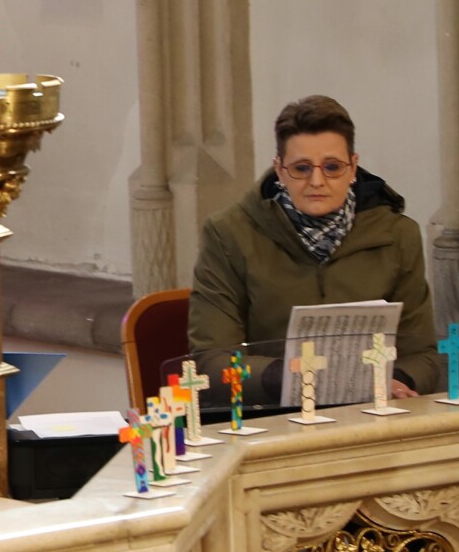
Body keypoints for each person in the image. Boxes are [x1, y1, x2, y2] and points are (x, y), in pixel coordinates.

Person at [188, 95, 441, 402]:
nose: (317, 181)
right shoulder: (229, 234)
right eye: (302, 168)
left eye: (332, 167)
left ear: (353, 168)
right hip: (270, 414)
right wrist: (295, 377)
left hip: (372, 411)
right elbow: (211, 362)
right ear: (280, 170)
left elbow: (423, 354)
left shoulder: (398, 235)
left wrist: (396, 381)